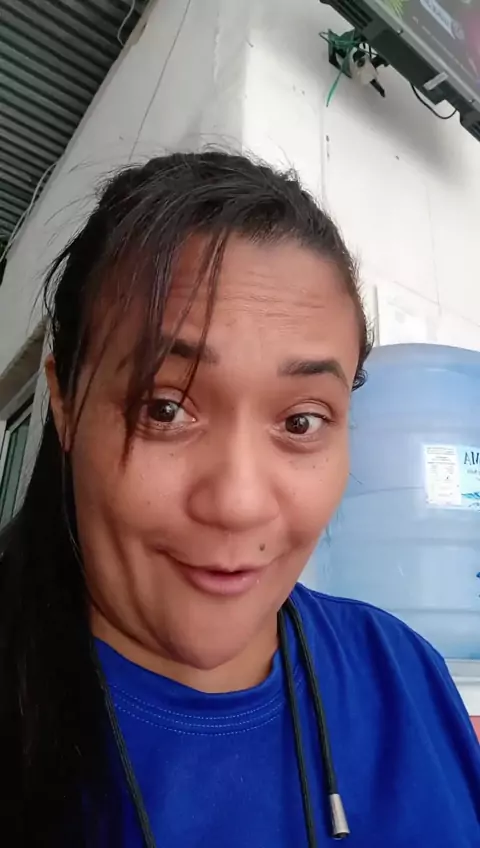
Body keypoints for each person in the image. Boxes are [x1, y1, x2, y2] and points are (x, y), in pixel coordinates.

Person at [0, 151, 478, 848]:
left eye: (301, 421)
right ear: (66, 403)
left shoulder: (407, 675)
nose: (239, 504)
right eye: (165, 409)